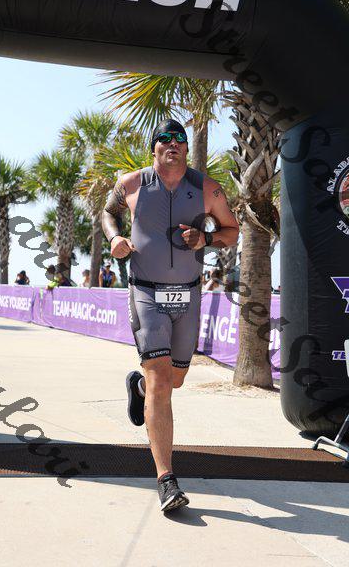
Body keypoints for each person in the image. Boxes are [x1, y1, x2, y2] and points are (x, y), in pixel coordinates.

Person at [102, 118, 239, 512]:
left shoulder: (208, 188)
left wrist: (206, 238)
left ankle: (139, 390)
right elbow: (108, 213)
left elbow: (231, 230)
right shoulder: (131, 184)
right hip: (146, 292)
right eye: (164, 138)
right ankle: (167, 480)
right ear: (154, 147)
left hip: (188, 296)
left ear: (186, 148)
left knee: (174, 380)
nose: (173, 143)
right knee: (161, 380)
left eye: (179, 138)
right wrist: (115, 237)